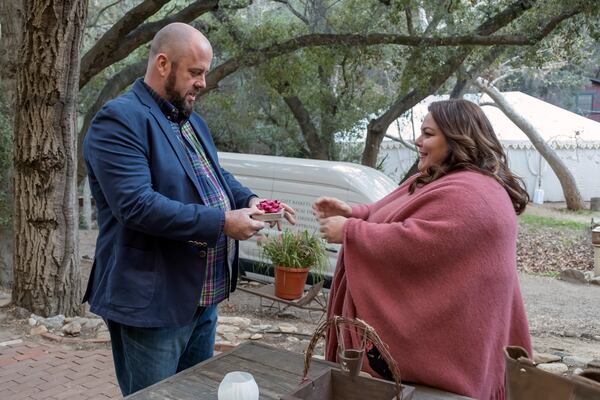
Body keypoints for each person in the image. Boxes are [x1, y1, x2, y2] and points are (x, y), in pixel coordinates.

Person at [83, 23, 294, 396]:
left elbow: (215, 175)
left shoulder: (190, 120)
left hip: (202, 298)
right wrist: (224, 222)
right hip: (153, 304)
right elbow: (137, 206)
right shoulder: (119, 120)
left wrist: (250, 201)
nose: (203, 83)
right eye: (195, 72)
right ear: (163, 64)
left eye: (205, 73)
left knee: (195, 394)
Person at [314, 99, 532, 400]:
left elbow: (418, 242)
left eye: (428, 134)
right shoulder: (440, 177)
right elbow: (395, 208)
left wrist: (350, 231)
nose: (418, 140)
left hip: (454, 349)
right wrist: (356, 212)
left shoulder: (472, 194)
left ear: (457, 138)